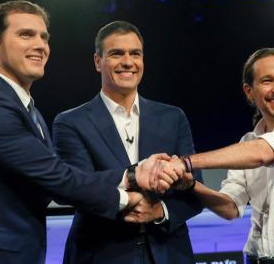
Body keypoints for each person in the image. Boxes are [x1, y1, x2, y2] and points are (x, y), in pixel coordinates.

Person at [0, 1, 176, 264]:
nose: (40, 45)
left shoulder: (28, 110)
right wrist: (130, 190)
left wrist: (132, 177)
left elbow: (54, 178)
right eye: (26, 34)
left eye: (44, 37)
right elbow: (56, 178)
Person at [52, 20, 203, 264]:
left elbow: (195, 189)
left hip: (169, 253)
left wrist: (159, 212)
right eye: (116, 54)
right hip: (101, 253)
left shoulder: (172, 117)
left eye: (135, 53)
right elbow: (73, 187)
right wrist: (132, 176)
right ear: (97, 62)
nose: (128, 62)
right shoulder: (71, 122)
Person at [160, 47, 274, 264]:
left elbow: (263, 153)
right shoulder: (247, 142)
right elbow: (231, 209)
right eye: (267, 81)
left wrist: (185, 163)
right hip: (256, 259)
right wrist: (190, 185)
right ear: (248, 91)